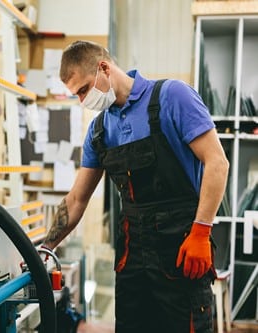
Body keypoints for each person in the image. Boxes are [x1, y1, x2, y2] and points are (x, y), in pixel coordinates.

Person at [41, 40, 229, 333]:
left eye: (83, 89)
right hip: (132, 258)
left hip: (182, 249)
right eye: (76, 94)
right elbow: (77, 198)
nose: (82, 101)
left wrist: (201, 232)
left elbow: (217, 163)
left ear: (104, 68)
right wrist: (45, 247)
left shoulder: (172, 97)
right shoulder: (99, 130)